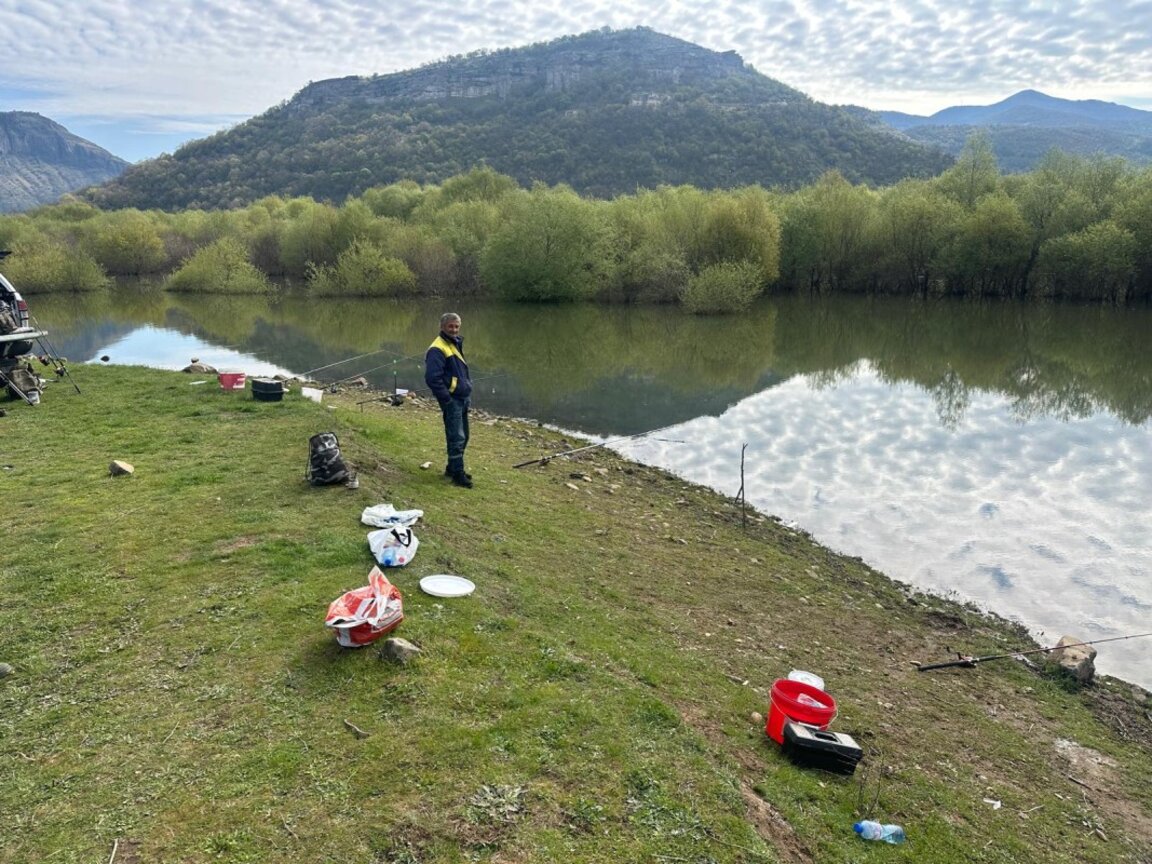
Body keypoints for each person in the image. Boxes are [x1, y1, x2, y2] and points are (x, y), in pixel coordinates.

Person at [425, 312, 474, 488]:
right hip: (452, 399)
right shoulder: (437, 348)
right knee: (457, 437)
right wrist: (446, 398)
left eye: (456, 326)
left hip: (462, 397)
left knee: (464, 435)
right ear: (442, 327)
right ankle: (457, 475)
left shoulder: (454, 342)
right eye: (450, 326)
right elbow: (432, 378)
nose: (454, 329)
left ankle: (452, 468)